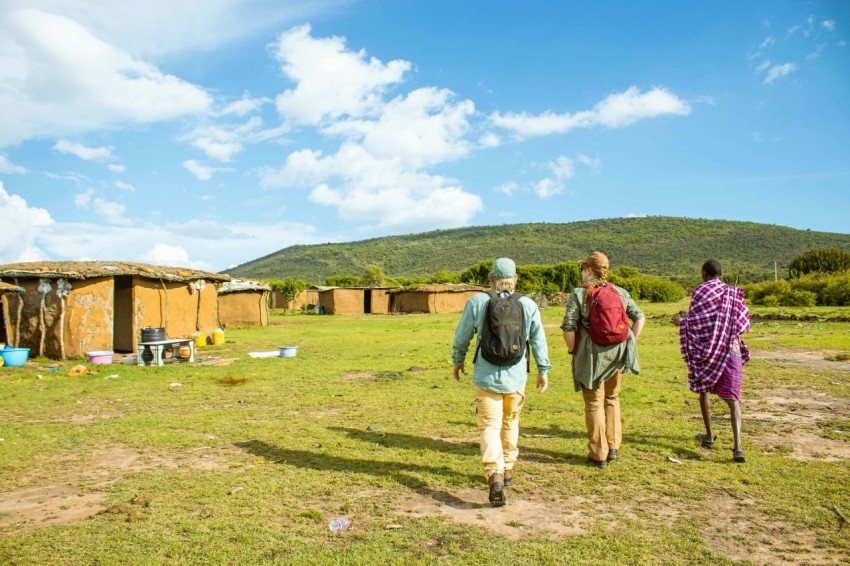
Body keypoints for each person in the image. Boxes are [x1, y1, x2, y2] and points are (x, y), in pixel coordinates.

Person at [452, 258, 550, 507]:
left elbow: (462, 335)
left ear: (491, 277)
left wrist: (458, 360)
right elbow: (538, 339)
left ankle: (494, 474)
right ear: (515, 278)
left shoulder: (477, 302)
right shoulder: (527, 304)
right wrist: (543, 369)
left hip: (486, 376)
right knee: (510, 422)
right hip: (516, 377)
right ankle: (507, 469)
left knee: (489, 425)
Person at [561, 252, 644, 469]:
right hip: (617, 354)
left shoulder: (578, 294)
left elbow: (569, 325)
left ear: (588, 270)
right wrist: (629, 341)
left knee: (594, 402)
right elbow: (639, 316)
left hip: (591, 357)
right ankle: (613, 446)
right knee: (613, 398)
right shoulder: (620, 292)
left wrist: (572, 350)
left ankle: (599, 453)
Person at [674, 259, 750, 463]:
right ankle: (738, 447)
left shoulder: (701, 291)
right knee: (733, 399)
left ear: (704, 273)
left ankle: (709, 435)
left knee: (703, 390)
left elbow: (695, 320)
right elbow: (743, 321)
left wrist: (681, 324)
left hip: (706, 351)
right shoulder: (733, 292)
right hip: (731, 350)